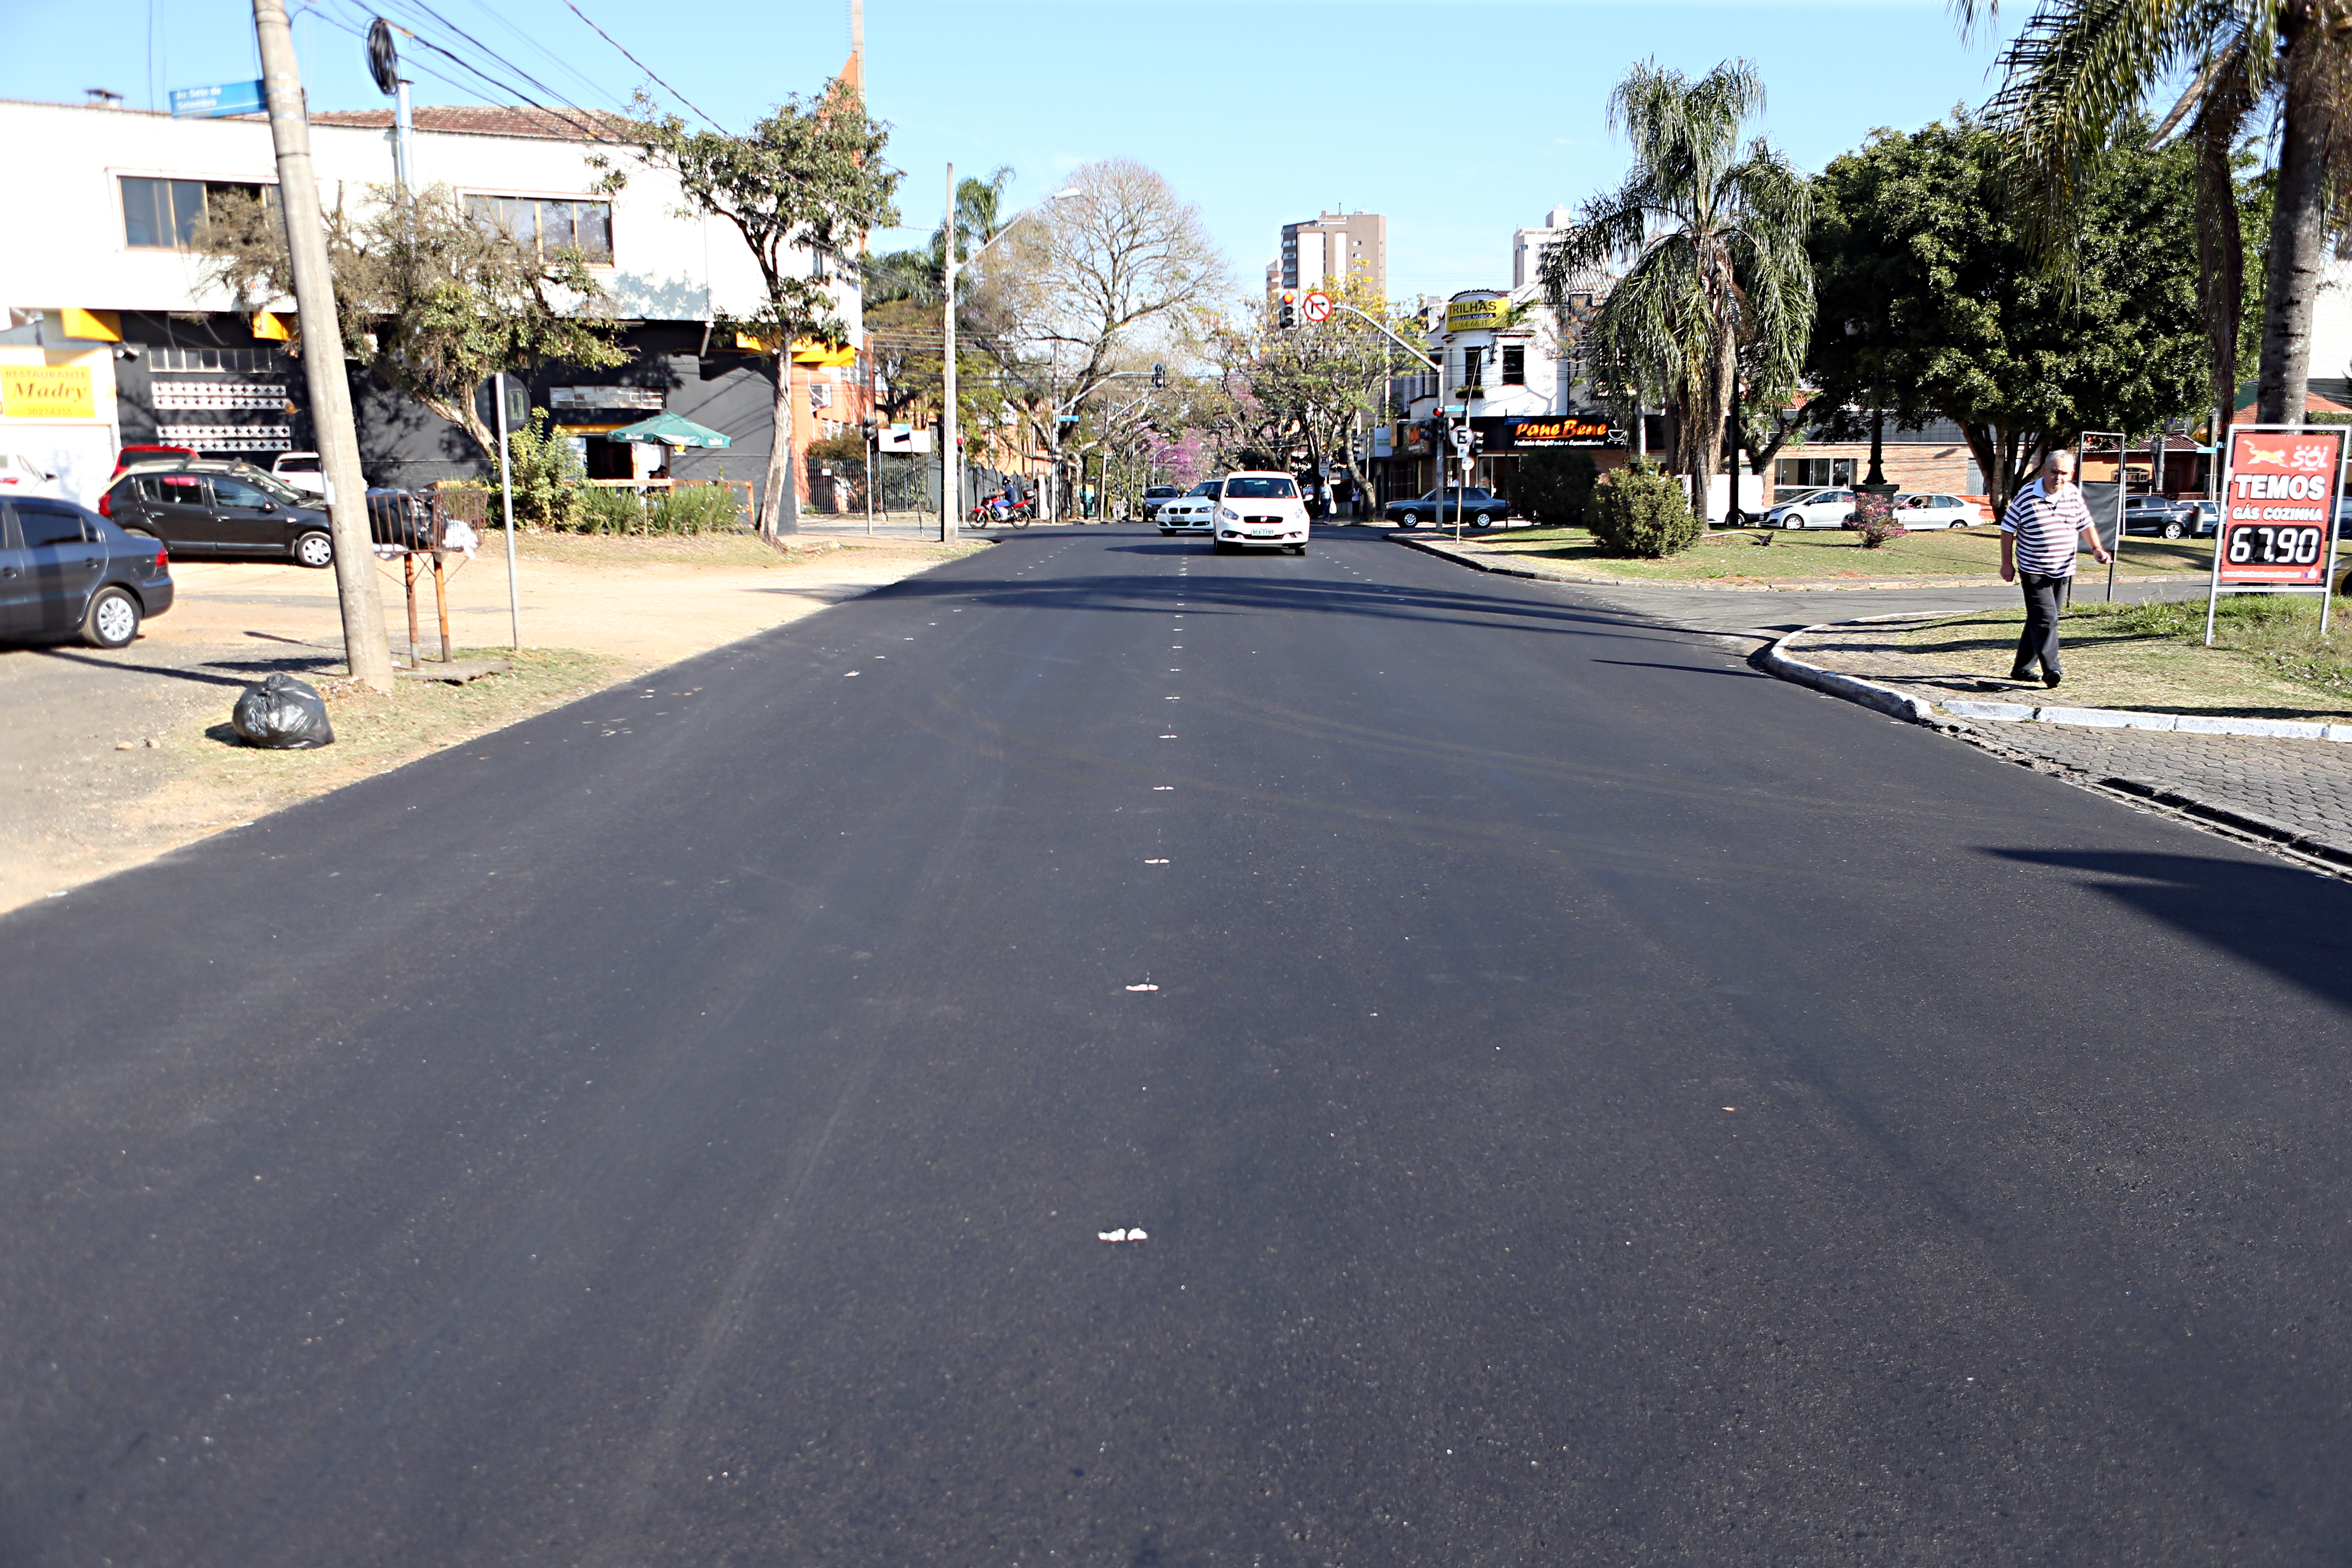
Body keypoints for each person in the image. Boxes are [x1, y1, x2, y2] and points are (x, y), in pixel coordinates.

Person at [1999, 448, 2111, 689]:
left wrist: (2097, 549)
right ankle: (2052, 669)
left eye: (2063, 473)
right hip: (2033, 568)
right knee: (2047, 618)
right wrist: (2007, 564)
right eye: (2053, 472)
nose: (2058, 478)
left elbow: (2086, 524)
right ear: (2043, 471)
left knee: (2041, 619)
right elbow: (2008, 529)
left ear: (2071, 474)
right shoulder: (2027, 495)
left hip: (2063, 568)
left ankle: (2021, 668)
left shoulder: (2072, 494)